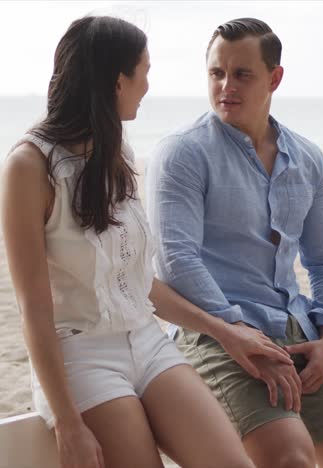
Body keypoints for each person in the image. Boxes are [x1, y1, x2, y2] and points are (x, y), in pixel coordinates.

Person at [0, 15, 290, 468]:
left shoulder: (115, 151)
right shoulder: (28, 167)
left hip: (147, 342)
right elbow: (33, 310)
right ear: (119, 81)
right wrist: (68, 421)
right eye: (145, 72)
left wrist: (223, 330)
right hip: (81, 358)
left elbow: (136, 282)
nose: (148, 85)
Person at [147, 17, 323, 468]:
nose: (226, 86)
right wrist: (242, 335)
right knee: (288, 457)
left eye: (242, 74)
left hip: (300, 330)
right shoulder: (182, 152)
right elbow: (175, 261)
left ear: (274, 77)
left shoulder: (308, 157)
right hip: (216, 334)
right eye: (217, 73)